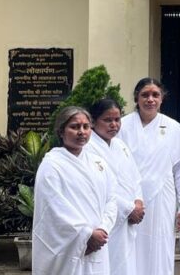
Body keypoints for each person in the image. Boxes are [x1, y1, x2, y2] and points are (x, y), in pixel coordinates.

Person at [32, 106, 118, 274]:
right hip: (68, 246)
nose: (81, 132)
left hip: (99, 241)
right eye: (74, 127)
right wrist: (86, 234)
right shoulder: (52, 165)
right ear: (61, 131)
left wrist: (103, 229)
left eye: (86, 126)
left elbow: (111, 199)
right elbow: (53, 207)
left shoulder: (98, 163)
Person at [117, 78, 180, 275]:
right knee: (129, 247)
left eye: (155, 95)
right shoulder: (122, 126)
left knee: (159, 246)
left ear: (162, 98)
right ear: (136, 98)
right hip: (129, 198)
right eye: (145, 95)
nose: (150, 99)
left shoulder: (174, 128)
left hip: (162, 197)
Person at [84, 98, 146, 275]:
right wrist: (128, 209)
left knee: (126, 264)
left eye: (117, 119)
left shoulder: (120, 145)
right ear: (93, 121)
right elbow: (98, 187)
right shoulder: (88, 148)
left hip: (129, 218)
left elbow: (135, 178)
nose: (114, 125)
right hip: (107, 218)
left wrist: (138, 202)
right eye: (107, 120)